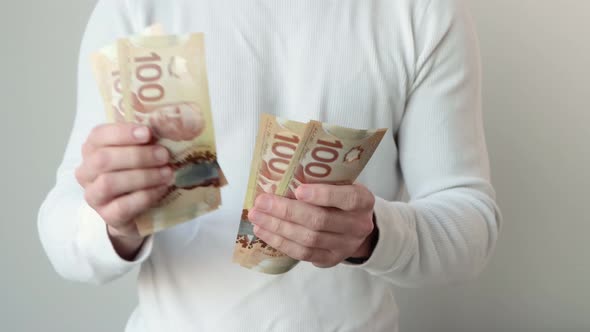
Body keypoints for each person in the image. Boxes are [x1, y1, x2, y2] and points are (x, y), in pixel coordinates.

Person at [38, 0, 502, 331]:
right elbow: (62, 234)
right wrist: (113, 224)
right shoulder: (133, 7)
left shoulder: (422, 11)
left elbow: (470, 226)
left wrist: (375, 233)